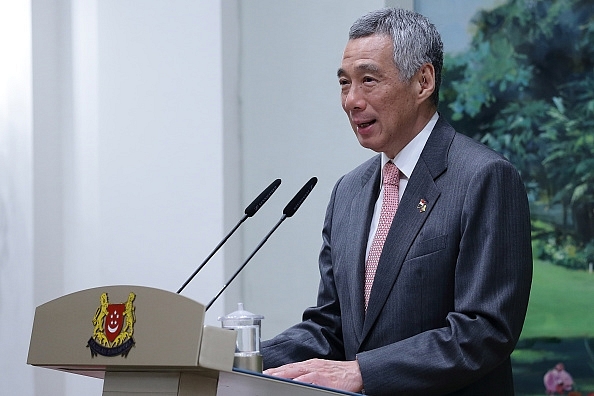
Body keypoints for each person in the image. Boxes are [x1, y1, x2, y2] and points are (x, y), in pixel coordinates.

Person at [262, 7, 532, 395]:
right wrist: (238, 356)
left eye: (368, 80)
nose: (351, 101)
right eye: (344, 83)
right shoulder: (348, 193)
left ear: (423, 81)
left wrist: (363, 372)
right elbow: (330, 326)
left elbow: (484, 330)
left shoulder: (483, 178)